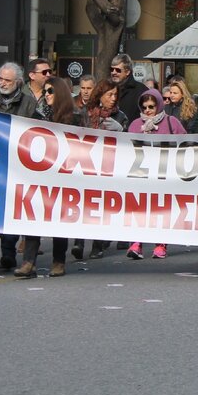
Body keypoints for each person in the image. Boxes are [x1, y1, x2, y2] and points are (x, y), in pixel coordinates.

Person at [15, 77, 81, 279]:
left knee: (58, 219)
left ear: (60, 92)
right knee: (34, 216)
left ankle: (58, 261)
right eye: (45, 91)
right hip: (40, 174)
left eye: (50, 91)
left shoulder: (75, 118)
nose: (46, 95)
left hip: (64, 176)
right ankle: (28, 262)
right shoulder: (38, 115)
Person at [0, 62, 37, 269]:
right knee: (3, 209)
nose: (2, 83)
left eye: (7, 80)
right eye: (1, 79)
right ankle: (7, 253)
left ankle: (28, 259)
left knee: (23, 209)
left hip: (22, 166)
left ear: (18, 82)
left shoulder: (29, 103)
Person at [126, 89, 188, 261]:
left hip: (164, 175)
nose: (147, 110)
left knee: (162, 210)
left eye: (151, 106)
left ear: (159, 105)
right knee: (140, 210)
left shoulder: (171, 122)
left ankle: (161, 244)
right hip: (141, 175)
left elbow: (186, 143)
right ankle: (136, 243)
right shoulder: (134, 125)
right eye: (144, 107)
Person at [71, 78, 127, 261]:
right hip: (86, 164)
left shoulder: (120, 116)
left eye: (115, 95)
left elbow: (128, 144)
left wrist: (120, 130)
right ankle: (78, 242)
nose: (112, 99)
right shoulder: (85, 114)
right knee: (83, 203)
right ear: (100, 95)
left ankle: (97, 244)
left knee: (100, 206)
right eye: (109, 94)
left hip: (109, 167)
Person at [110, 54, 149, 125]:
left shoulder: (141, 91)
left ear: (127, 72)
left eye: (118, 70)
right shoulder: (107, 89)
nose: (114, 72)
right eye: (112, 69)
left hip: (133, 133)